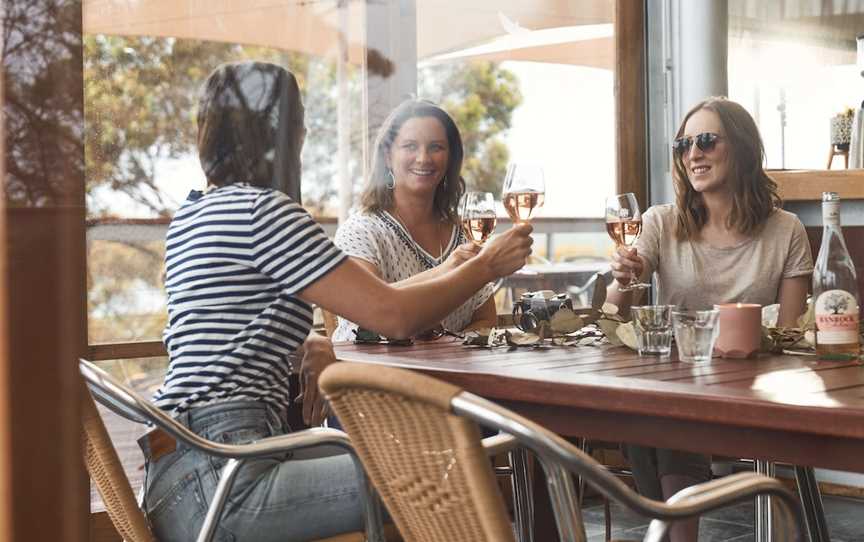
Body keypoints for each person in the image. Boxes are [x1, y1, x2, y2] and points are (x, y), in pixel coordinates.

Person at [145, 61, 533, 542]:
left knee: (414, 463)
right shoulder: (264, 212)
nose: (306, 135)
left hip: (183, 464)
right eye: (300, 122)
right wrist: (486, 267)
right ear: (279, 132)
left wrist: (301, 337)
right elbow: (392, 317)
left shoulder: (195, 212)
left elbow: (232, 316)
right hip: (226, 479)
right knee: (448, 473)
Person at [607, 97, 813, 542]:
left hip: (754, 385)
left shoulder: (786, 231)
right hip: (680, 387)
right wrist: (624, 278)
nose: (693, 154)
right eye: (684, 144)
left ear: (740, 148)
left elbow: (793, 334)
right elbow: (616, 310)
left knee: (665, 409)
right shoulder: (661, 222)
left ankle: (673, 529)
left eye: (706, 141)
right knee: (665, 402)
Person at [331, 99, 495, 342]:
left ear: (450, 158)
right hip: (372, 375)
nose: (423, 158)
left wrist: (443, 348)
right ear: (388, 157)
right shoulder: (361, 232)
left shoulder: (464, 235)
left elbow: (487, 320)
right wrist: (446, 270)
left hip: (448, 378)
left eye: (436, 147)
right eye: (409, 146)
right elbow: (367, 316)